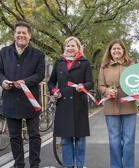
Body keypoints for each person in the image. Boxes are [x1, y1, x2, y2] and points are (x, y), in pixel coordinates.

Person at [0, 21, 45, 168]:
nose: (21, 35)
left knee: (34, 135)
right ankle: (19, 164)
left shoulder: (38, 54)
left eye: (24, 33)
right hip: (10, 99)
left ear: (29, 36)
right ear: (14, 35)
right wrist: (2, 81)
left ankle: (35, 164)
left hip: (31, 101)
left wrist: (25, 82)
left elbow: (40, 74)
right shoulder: (4, 52)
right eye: (19, 33)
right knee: (14, 137)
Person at [48, 36, 93, 168]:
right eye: (68, 45)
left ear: (78, 48)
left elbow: (90, 82)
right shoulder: (59, 63)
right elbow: (51, 82)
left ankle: (79, 165)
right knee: (66, 140)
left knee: (80, 140)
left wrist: (83, 86)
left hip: (79, 105)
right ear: (64, 47)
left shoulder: (85, 63)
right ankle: (68, 165)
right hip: (63, 105)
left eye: (73, 46)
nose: (70, 48)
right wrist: (54, 91)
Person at [98, 39, 138, 168]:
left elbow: (138, 83)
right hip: (111, 107)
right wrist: (107, 91)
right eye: (114, 48)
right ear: (110, 51)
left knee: (128, 141)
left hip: (130, 107)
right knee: (114, 141)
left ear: (123, 50)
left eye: (119, 48)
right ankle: (116, 166)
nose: (116, 50)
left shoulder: (132, 65)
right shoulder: (104, 67)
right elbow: (100, 86)